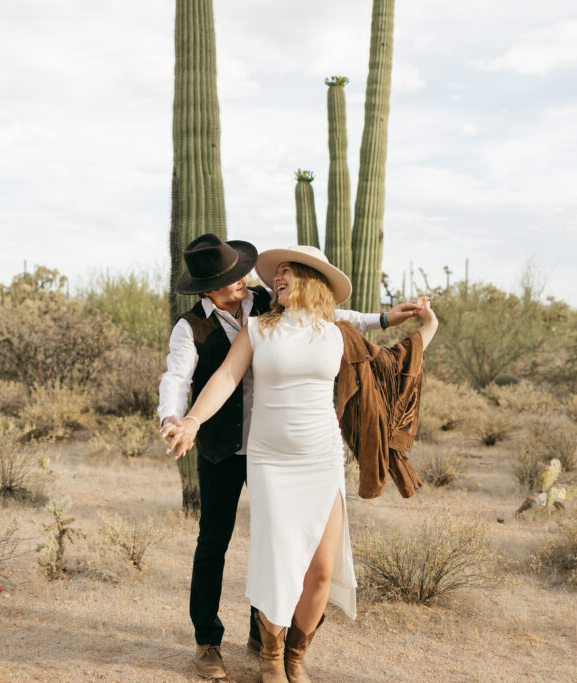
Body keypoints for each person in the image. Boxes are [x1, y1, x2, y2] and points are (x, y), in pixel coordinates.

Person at [165, 245, 438, 682]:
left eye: (289, 272)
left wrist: (425, 325)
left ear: (312, 280)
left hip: (322, 459)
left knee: (322, 568)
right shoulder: (255, 329)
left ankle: (295, 654)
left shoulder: (336, 331)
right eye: (277, 273)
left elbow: (390, 362)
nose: (277, 278)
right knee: (273, 558)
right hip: (268, 459)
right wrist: (190, 420)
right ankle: (264, 656)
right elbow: (221, 377)